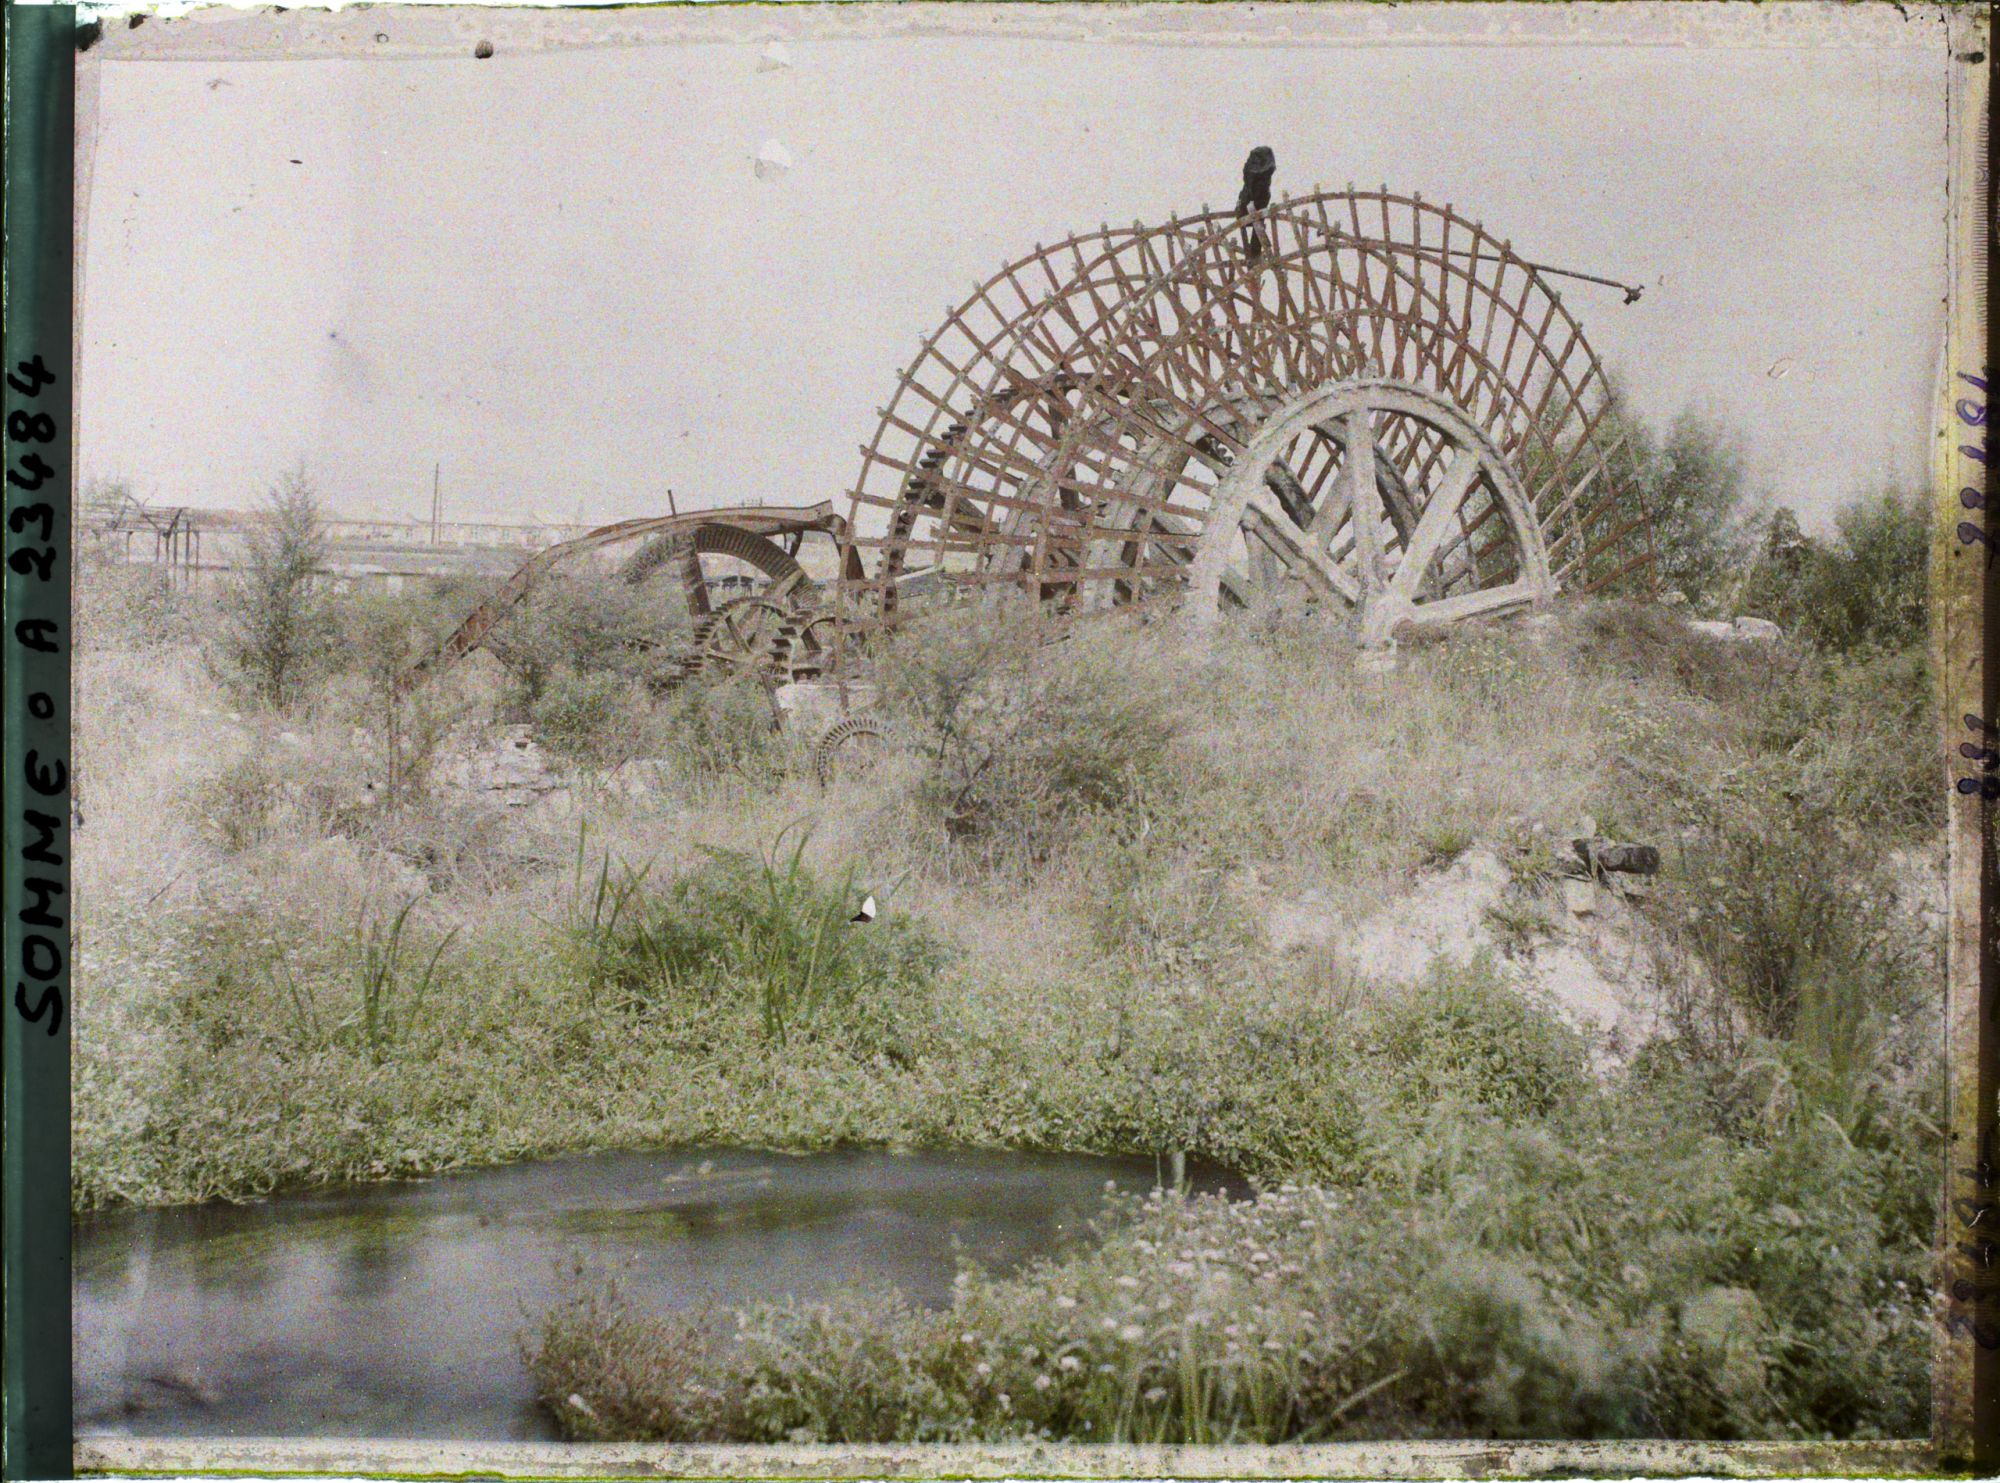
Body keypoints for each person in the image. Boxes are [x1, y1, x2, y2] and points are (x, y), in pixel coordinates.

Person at [1235, 146, 1276, 260]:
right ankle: (1255, 252)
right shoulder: (1255, 172)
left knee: (1258, 221)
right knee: (1257, 220)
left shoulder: (1261, 176)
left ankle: (1255, 252)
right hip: (1251, 199)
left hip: (1256, 198)